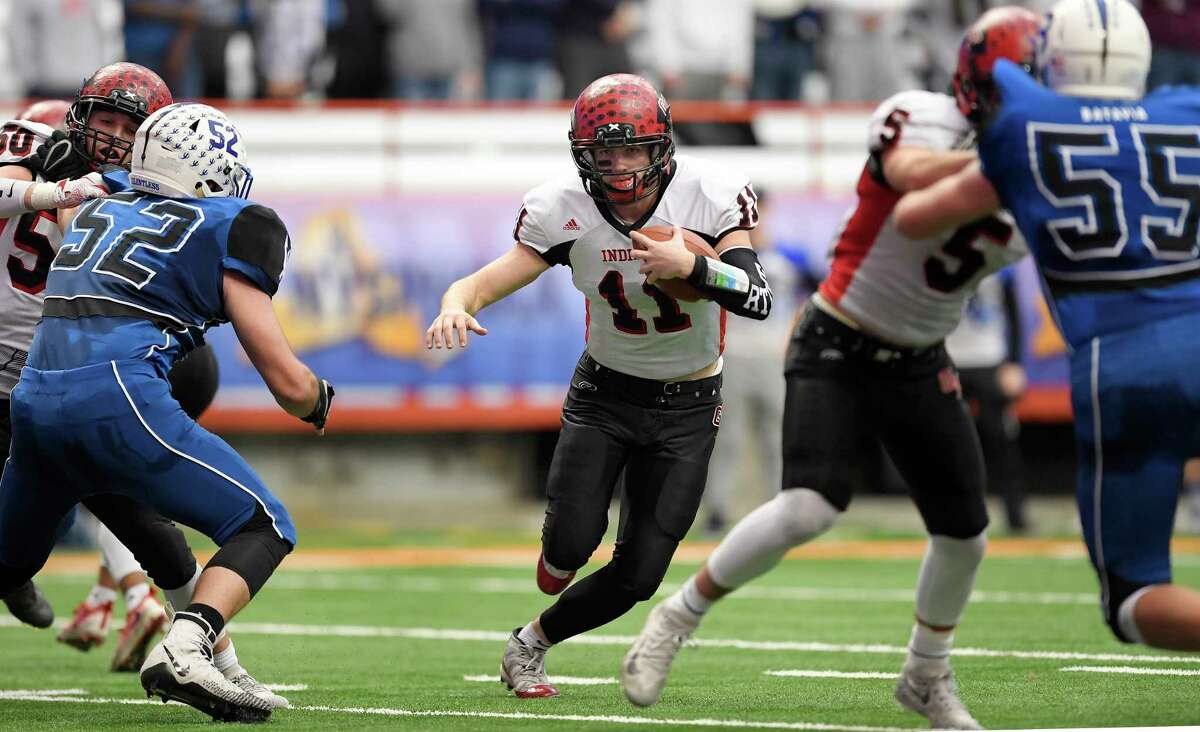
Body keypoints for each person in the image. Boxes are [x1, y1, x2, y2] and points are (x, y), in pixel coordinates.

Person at [620, 9, 1039, 729]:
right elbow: (908, 180)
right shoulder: (922, 116)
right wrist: (1003, 164)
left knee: (966, 530)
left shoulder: (1046, 171)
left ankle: (925, 674)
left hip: (920, 354)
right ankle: (677, 617)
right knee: (811, 504)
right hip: (839, 336)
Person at [426, 73, 772, 698]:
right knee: (569, 544)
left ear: (660, 147)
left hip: (691, 404)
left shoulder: (710, 196)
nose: (617, 165)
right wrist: (455, 303)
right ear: (581, 154)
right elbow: (483, 282)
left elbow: (759, 297)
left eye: (631, 149)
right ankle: (559, 557)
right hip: (605, 394)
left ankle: (529, 643)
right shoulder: (563, 209)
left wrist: (692, 267)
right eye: (603, 152)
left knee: (640, 572)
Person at [0, 100, 334, 722]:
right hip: (117, 398)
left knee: (10, 562)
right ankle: (187, 643)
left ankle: (218, 663)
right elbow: (285, 381)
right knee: (264, 524)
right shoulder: (236, 221)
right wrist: (318, 401)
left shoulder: (97, 201)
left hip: (33, 402)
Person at [895, 0, 1200, 653]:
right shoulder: (1187, 108)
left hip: (1126, 363)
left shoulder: (1025, 125)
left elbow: (916, 219)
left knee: (1134, 596)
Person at [944, 270, 1030, 533]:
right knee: (946, 443)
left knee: (1001, 440)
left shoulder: (999, 259)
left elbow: (1014, 313)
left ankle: (1015, 516)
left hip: (989, 358)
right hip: (948, 359)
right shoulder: (936, 251)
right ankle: (950, 515)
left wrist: (1014, 362)